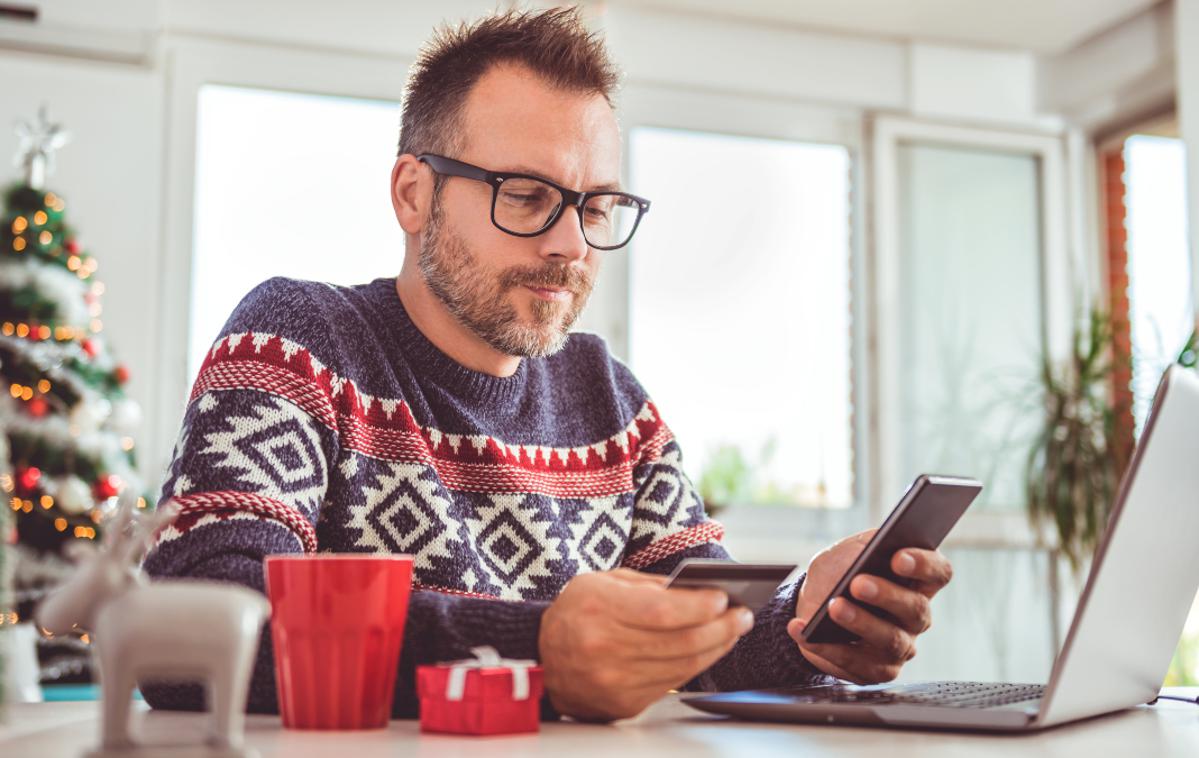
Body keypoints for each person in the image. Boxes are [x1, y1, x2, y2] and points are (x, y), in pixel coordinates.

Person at [143, 7, 952, 722]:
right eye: (526, 196)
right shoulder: (296, 340)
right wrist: (534, 654)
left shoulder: (612, 402)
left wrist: (805, 624)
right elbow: (190, 626)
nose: (569, 245)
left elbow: (699, 631)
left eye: (595, 206)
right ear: (412, 194)